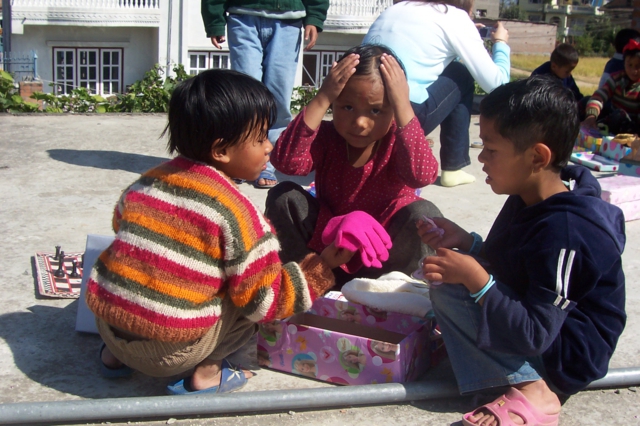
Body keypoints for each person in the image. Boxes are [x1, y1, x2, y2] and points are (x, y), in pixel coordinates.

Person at [86, 69, 354, 396]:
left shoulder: (146, 183)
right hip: (169, 356)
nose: (268, 147)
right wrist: (320, 268)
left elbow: (120, 224)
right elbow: (266, 303)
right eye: (260, 138)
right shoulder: (235, 213)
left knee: (141, 258)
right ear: (221, 150)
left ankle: (114, 357)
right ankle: (207, 374)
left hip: (108, 325)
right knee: (250, 289)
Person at [417, 75, 626, 426]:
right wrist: (467, 243)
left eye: (491, 149)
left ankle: (534, 390)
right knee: (452, 281)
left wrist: (474, 277)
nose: (481, 158)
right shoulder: (527, 195)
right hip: (538, 326)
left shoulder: (568, 231)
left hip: (567, 355)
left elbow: (535, 332)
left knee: (454, 290)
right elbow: (513, 265)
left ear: (537, 156)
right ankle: (502, 373)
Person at [266, 44, 442, 287]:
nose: (359, 122)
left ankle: (407, 293)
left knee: (424, 214)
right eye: (347, 107)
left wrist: (403, 104)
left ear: (394, 110)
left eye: (376, 110)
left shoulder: (398, 140)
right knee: (284, 196)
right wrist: (322, 96)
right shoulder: (327, 136)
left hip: (384, 259)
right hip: (329, 251)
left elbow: (422, 175)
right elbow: (286, 161)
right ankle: (300, 285)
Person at [363, 0, 510, 187]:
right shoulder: (456, 17)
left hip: (358, 110)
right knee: (461, 74)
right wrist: (500, 43)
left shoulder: (394, 9)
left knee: (451, 68)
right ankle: (453, 167)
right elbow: (498, 85)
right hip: (402, 117)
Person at [201, 0, 329, 189]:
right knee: (246, 96)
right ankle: (238, 162)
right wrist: (215, 21)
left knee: (278, 99)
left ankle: (266, 164)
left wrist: (314, 17)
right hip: (243, 15)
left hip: (288, 20)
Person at [583, 37, 640, 135]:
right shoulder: (617, 79)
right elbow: (599, 96)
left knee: (620, 115)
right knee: (586, 100)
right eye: (629, 65)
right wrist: (591, 116)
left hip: (633, 129)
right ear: (624, 63)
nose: (633, 71)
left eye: (638, 66)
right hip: (612, 120)